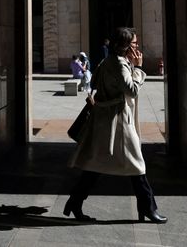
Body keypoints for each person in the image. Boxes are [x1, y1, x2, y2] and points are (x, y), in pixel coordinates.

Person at [63, 27, 167, 224]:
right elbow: (132, 90)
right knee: (137, 167)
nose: (137, 48)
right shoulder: (120, 65)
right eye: (134, 44)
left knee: (96, 165)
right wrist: (139, 68)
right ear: (126, 47)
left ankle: (75, 202)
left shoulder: (107, 61)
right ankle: (148, 208)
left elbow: (94, 82)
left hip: (107, 121)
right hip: (119, 123)